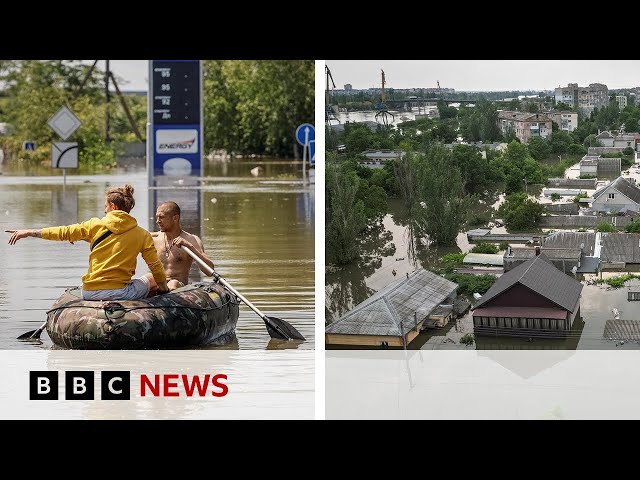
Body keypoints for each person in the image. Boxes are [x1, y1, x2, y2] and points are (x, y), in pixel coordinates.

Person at [6, 184, 169, 300]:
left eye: (105, 206)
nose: (104, 210)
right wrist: (164, 290)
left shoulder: (94, 225)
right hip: (121, 292)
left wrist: (28, 232)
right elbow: (155, 266)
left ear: (112, 206)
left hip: (90, 292)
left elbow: (62, 232)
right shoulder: (142, 234)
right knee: (152, 278)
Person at [150, 201, 214, 291]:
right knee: (147, 278)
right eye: (157, 217)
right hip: (158, 284)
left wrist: (190, 247)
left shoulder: (191, 240)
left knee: (173, 283)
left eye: (161, 217)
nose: (157, 221)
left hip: (179, 288)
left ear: (175, 218)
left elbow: (209, 271)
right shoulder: (152, 238)